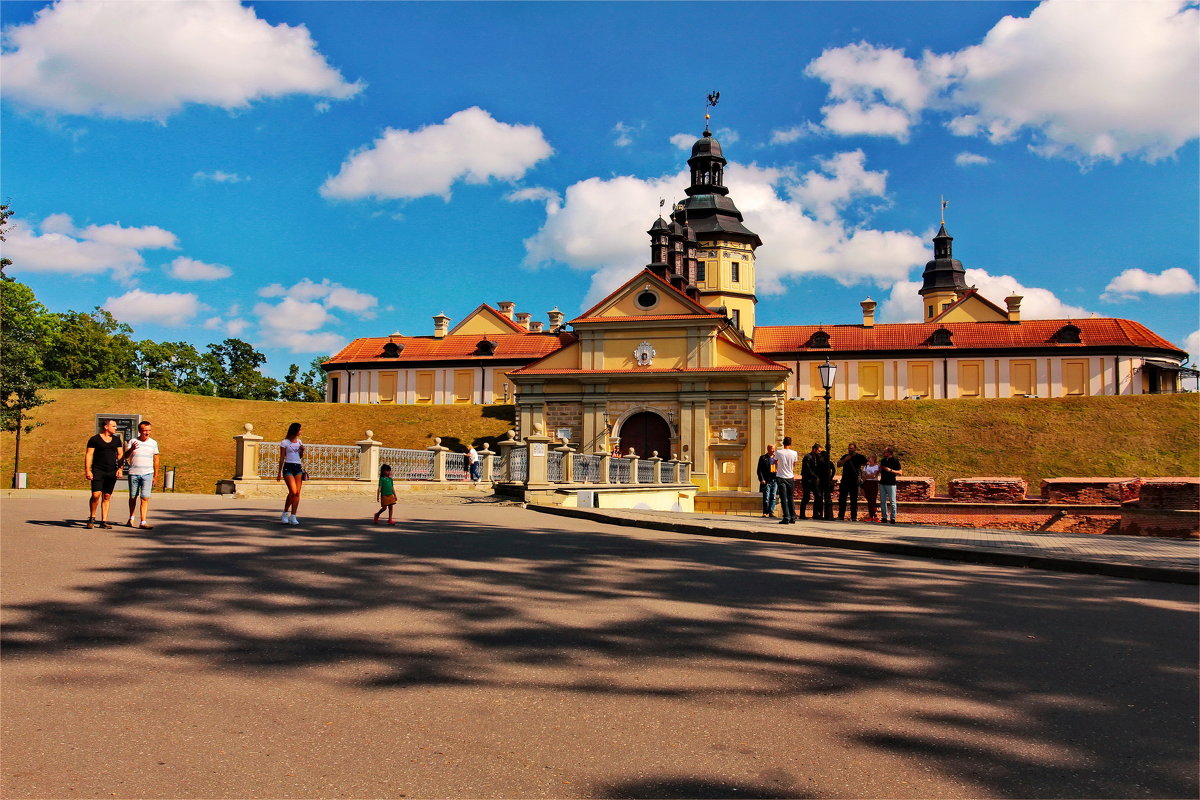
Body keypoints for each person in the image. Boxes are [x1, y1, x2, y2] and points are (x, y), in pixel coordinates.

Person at [84, 419, 124, 529]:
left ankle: (104, 521)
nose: (116, 428)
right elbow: (89, 455)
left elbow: (120, 455)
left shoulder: (116, 440)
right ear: (106, 427)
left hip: (112, 471)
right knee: (96, 495)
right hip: (98, 470)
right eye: (114, 426)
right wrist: (88, 470)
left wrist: (120, 468)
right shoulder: (94, 439)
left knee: (107, 496)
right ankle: (92, 517)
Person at [123, 420, 160, 529]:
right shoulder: (133, 441)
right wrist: (132, 449)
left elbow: (156, 460)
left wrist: (156, 476)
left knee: (145, 498)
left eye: (149, 430)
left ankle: (143, 521)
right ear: (139, 430)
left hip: (148, 473)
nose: (147, 433)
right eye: (145, 430)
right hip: (134, 473)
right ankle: (131, 518)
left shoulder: (153, 443)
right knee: (133, 497)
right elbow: (125, 456)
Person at [276, 422, 305, 525]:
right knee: (293, 491)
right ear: (295, 430)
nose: (301, 431)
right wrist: (279, 472)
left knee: (297, 493)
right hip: (288, 467)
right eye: (300, 429)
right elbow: (282, 457)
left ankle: (293, 516)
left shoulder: (299, 442)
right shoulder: (285, 442)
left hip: (298, 467)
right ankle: (285, 513)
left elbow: (300, 456)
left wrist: (302, 451)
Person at [836, 442, 868, 521]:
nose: (850, 450)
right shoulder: (845, 456)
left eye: (851, 448)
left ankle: (853, 516)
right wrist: (844, 460)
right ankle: (841, 515)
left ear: (855, 449)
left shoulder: (859, 457)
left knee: (854, 500)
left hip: (854, 481)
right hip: (845, 480)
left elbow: (867, 464)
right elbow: (838, 464)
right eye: (849, 448)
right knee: (842, 499)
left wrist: (863, 474)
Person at [771, 437, 798, 524]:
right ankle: (793, 516)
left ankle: (786, 517)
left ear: (783, 443)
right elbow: (794, 464)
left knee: (783, 498)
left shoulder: (778, 452)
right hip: (790, 477)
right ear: (790, 444)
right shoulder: (794, 453)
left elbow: (774, 462)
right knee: (790, 497)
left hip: (781, 476)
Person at [879, 446, 903, 524]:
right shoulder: (883, 460)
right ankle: (884, 517)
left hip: (891, 483)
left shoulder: (895, 461)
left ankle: (893, 518)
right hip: (882, 482)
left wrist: (891, 470)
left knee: (892, 501)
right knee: (882, 501)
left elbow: (900, 472)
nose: (883, 453)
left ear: (889, 453)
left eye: (885, 452)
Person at [799, 443, 823, 520]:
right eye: (818, 451)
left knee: (818, 496)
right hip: (807, 480)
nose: (819, 452)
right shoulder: (807, 457)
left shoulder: (818, 458)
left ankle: (816, 514)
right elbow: (807, 469)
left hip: (814, 480)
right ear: (814, 450)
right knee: (806, 497)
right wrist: (815, 476)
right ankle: (802, 514)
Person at [756, 444, 777, 518]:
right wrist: (762, 479)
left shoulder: (776, 458)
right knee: (766, 497)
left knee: (773, 496)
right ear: (768, 449)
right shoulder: (763, 458)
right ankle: (765, 512)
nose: (773, 450)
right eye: (772, 449)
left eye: (774, 449)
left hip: (774, 480)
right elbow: (759, 470)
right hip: (766, 480)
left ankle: (771, 512)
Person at [860, 455, 881, 521]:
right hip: (867, 483)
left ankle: (875, 515)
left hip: (873, 483)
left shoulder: (877, 466)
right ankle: (871, 515)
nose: (869, 459)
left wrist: (867, 475)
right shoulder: (866, 466)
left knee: (873, 499)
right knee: (869, 499)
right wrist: (868, 476)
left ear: (874, 459)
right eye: (869, 458)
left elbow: (874, 476)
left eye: (870, 458)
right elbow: (863, 475)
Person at [819, 449, 837, 520]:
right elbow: (834, 470)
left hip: (822, 481)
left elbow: (834, 470)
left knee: (822, 497)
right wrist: (831, 477)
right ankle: (826, 514)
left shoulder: (821, 463)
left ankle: (822, 514)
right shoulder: (829, 463)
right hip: (826, 481)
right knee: (826, 497)